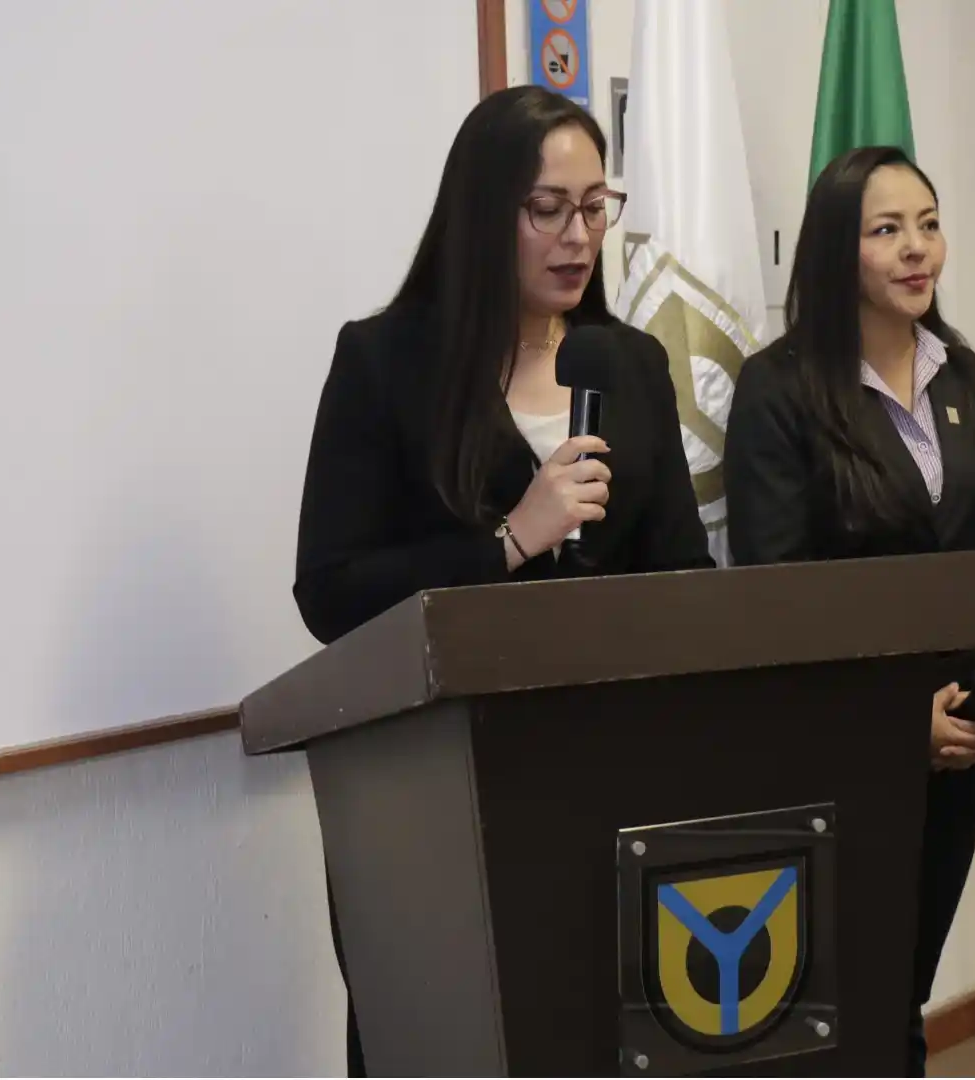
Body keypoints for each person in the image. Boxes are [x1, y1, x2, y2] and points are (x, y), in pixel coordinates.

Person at [291, 85, 714, 1074]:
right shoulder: (386, 363)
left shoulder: (630, 364)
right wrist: (508, 543)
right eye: (547, 210)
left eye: (596, 207)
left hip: (605, 781)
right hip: (431, 789)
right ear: (484, 215)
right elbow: (330, 591)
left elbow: (683, 576)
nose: (580, 236)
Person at [721, 145, 975, 1076]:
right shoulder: (780, 389)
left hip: (954, 755)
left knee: (900, 999)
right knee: (836, 1015)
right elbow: (778, 594)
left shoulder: (963, 378)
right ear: (835, 249)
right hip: (834, 752)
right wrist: (900, 720)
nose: (917, 248)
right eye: (887, 229)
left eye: (928, 225)